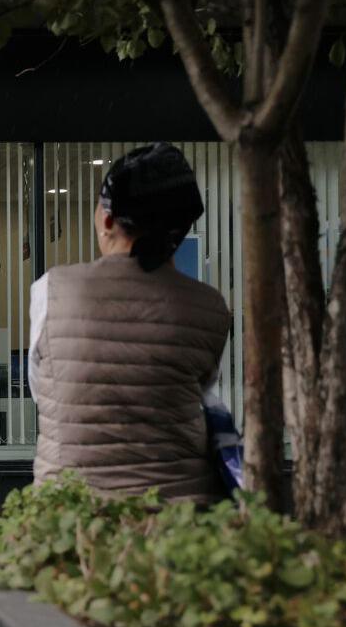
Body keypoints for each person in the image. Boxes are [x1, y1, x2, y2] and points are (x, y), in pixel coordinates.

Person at [28, 143, 231, 504]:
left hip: (72, 514)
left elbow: (44, 391)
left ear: (107, 220)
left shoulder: (53, 289)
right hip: (179, 515)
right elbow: (196, 391)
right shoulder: (211, 307)